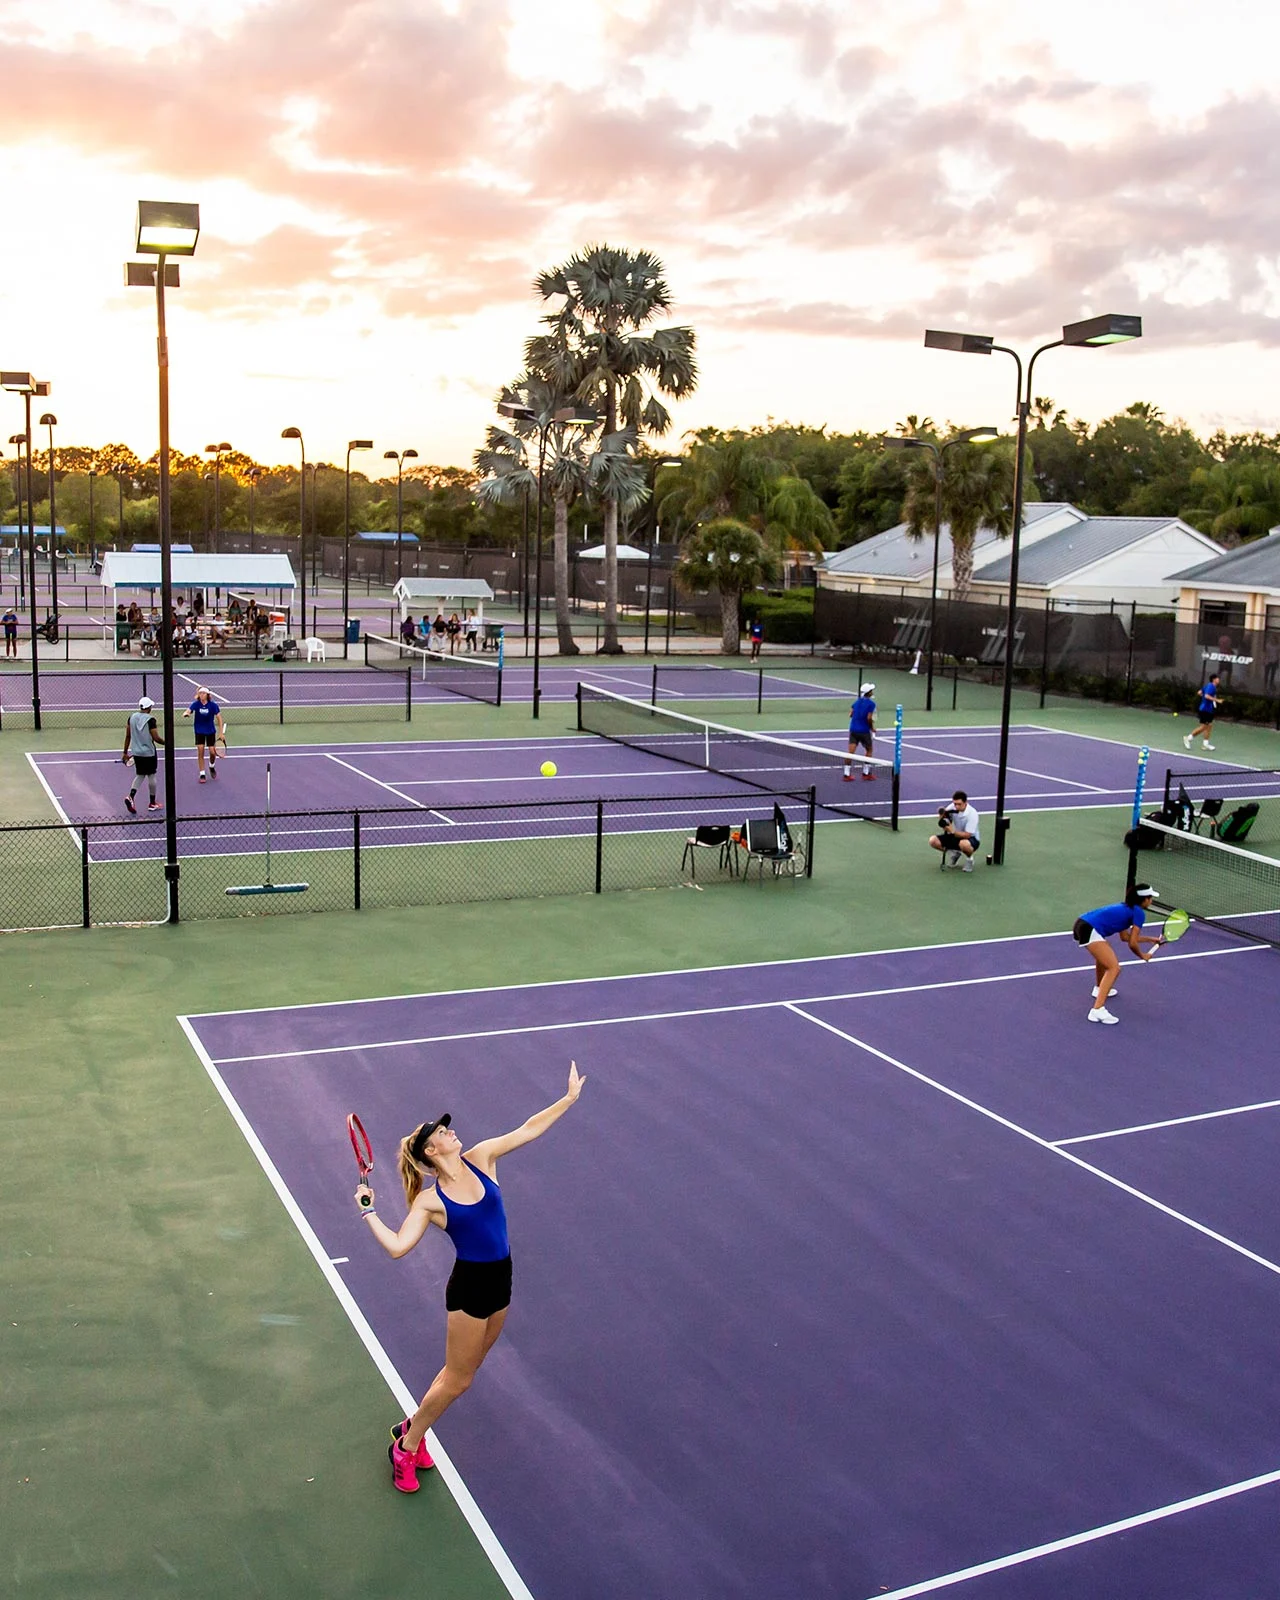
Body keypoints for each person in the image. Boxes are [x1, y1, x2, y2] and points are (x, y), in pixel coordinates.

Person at [355, 1062, 586, 1494]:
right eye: (442, 1133)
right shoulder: (430, 1200)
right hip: (470, 1289)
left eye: (447, 1129)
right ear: (430, 1151)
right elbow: (397, 1247)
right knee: (460, 1378)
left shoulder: (481, 1157)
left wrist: (568, 1099)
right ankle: (405, 1446)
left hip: (502, 1277)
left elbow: (528, 1129)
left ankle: (414, 1423)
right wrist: (369, 1210)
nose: (450, 1132)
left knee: (466, 1370)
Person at [1072, 885, 1161, 1024]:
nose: (1151, 902)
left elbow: (1125, 937)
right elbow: (1132, 943)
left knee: (1104, 959)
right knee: (1114, 968)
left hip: (1081, 924)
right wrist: (1142, 955)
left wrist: (1150, 939)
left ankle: (1099, 989)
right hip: (1090, 929)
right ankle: (1097, 1010)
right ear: (1144, 900)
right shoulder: (1139, 913)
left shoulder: (1126, 908)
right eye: (1150, 899)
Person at [122, 695, 165, 813]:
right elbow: (156, 737)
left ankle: (130, 797)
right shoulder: (151, 720)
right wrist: (167, 743)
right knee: (151, 775)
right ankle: (152, 803)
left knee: (140, 775)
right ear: (149, 707)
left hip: (136, 753)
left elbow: (128, 736)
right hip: (149, 753)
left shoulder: (132, 717)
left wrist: (125, 752)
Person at [929, 789, 981, 871]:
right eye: (955, 804)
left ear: (965, 802)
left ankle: (969, 859)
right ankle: (955, 854)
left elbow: (967, 835)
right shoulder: (952, 807)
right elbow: (945, 820)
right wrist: (942, 819)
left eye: (959, 804)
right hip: (956, 836)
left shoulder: (972, 814)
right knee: (933, 841)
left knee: (964, 844)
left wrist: (952, 831)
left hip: (971, 839)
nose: (956, 806)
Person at [182, 686, 224, 781]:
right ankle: (202, 774)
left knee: (212, 752)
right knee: (200, 751)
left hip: (210, 731)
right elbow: (188, 710)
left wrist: (221, 733)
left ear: (207, 695)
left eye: (203, 693)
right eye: (200, 693)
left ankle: (211, 766)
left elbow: (219, 719)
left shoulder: (213, 705)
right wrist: (186, 713)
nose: (201, 695)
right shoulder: (196, 704)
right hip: (199, 731)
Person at [843, 682, 877, 781]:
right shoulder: (871, 704)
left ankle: (846, 774)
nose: (872, 691)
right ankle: (866, 774)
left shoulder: (857, 702)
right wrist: (872, 728)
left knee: (850, 753)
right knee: (869, 750)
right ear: (869, 693)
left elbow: (850, 714)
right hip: (864, 731)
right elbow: (869, 718)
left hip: (853, 729)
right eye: (871, 690)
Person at [1183, 673, 1221, 752]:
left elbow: (1199, 692)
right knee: (1204, 727)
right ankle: (1188, 738)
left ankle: (1205, 744)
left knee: (1209, 726)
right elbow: (1206, 696)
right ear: (1214, 680)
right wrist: (1217, 700)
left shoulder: (1208, 686)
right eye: (1218, 678)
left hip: (1209, 709)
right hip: (1205, 710)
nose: (1219, 680)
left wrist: (1205, 698)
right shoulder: (1211, 686)